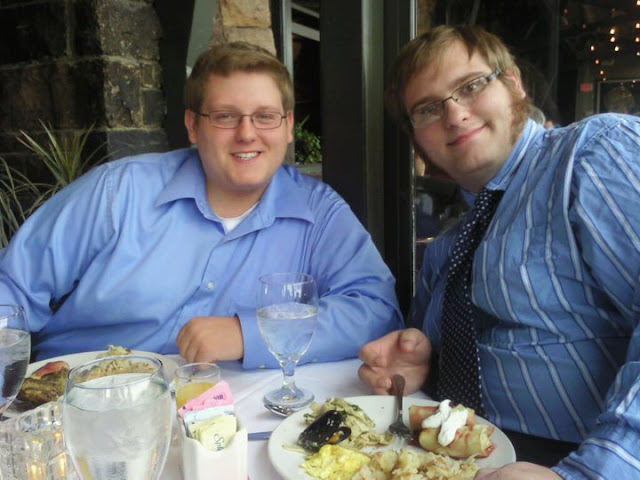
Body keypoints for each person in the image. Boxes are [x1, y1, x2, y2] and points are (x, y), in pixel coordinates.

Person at [0, 42, 403, 367]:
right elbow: (12, 286)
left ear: (288, 127)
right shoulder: (119, 192)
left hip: (224, 419)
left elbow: (376, 311)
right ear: (193, 126)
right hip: (80, 406)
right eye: (225, 117)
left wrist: (249, 333)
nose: (247, 134)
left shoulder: (320, 214)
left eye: (265, 116)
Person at [358, 25, 640, 479]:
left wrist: (590, 473)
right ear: (416, 138)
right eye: (428, 108)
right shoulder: (447, 250)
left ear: (513, 83)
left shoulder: (590, 154)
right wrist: (423, 364)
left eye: (470, 86)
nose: (454, 115)